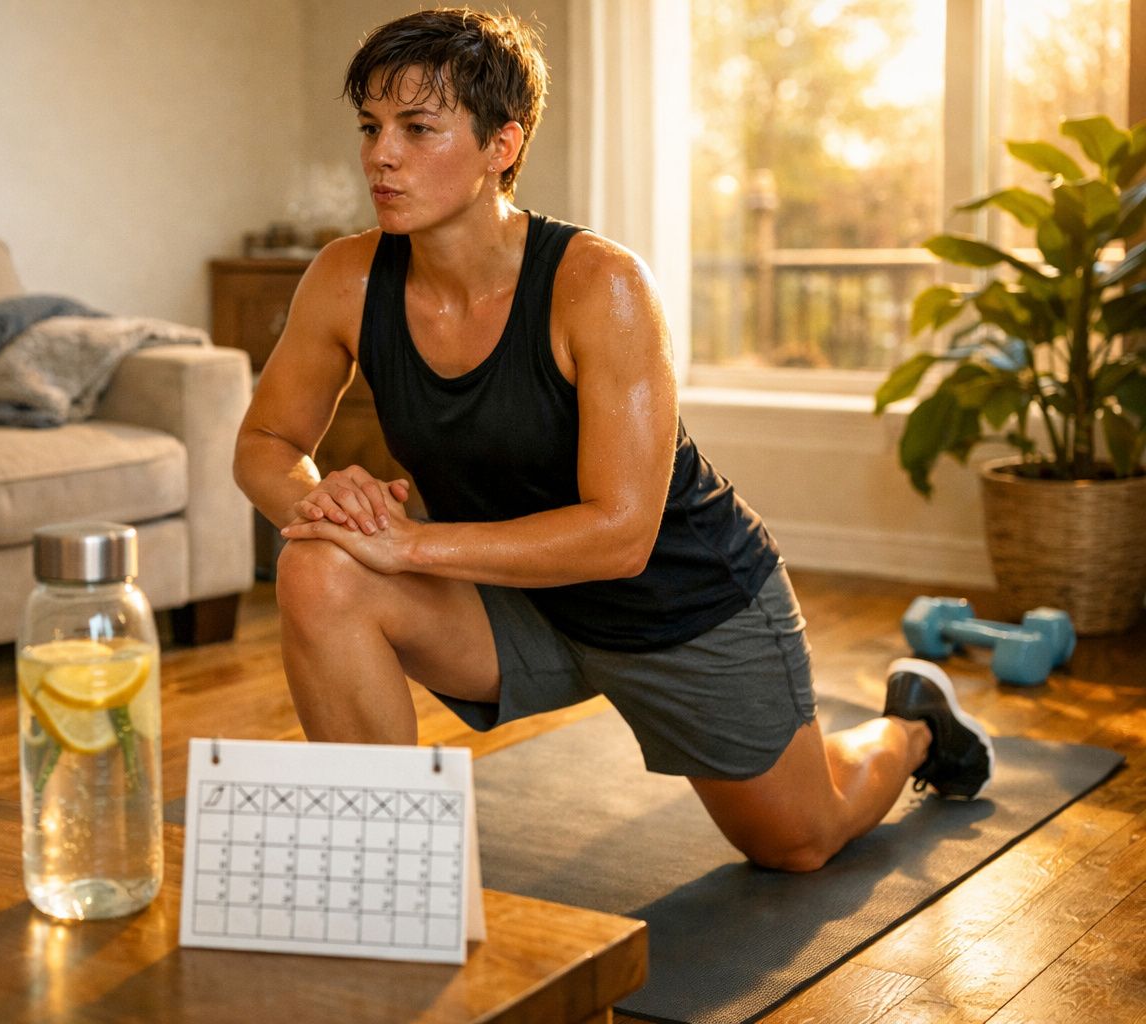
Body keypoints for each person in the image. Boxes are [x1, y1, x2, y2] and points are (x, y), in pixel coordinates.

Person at [232, 8, 994, 872]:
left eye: (417, 128)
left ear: (501, 146)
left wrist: (408, 544)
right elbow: (265, 441)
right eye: (371, 128)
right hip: (513, 600)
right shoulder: (347, 277)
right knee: (318, 566)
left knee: (800, 841)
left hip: (677, 604)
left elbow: (622, 535)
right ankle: (387, 873)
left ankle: (913, 727)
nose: (381, 155)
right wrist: (323, 501)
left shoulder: (602, 285)